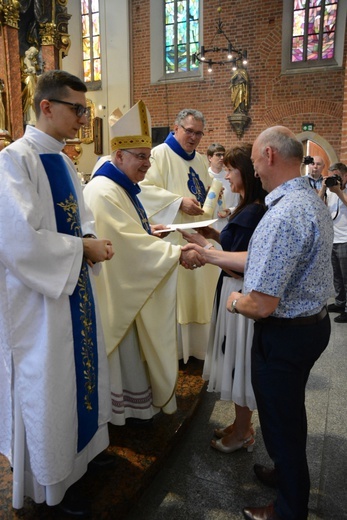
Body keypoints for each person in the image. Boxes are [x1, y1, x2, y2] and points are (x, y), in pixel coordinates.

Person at [183, 126, 334, 520]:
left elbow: (262, 304)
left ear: (268, 155)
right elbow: (261, 259)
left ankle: (289, 508)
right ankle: (287, 473)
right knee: (288, 413)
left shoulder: (283, 213)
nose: (252, 172)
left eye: (252, 163)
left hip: (286, 333)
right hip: (310, 327)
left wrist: (232, 301)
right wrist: (212, 256)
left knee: (281, 421)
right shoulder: (305, 197)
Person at [0, 70, 115, 516]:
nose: (84, 119)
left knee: (80, 375)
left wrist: (91, 242)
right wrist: (81, 248)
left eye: (85, 110)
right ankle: (53, 482)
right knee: (49, 383)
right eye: (77, 109)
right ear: (47, 107)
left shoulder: (65, 161)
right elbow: (17, 240)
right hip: (40, 302)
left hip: (72, 287)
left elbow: (79, 217)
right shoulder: (15, 160)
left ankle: (83, 455)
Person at [84, 101, 205, 425]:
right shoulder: (102, 191)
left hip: (130, 287)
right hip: (119, 293)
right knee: (127, 361)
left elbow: (130, 233)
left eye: (149, 157)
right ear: (119, 156)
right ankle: (125, 414)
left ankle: (139, 407)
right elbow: (123, 246)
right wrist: (175, 253)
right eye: (141, 157)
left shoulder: (122, 187)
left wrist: (149, 230)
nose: (147, 165)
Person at [180, 144, 266, 454]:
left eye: (231, 170)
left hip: (239, 292)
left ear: (246, 172)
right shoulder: (247, 206)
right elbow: (232, 242)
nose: (226, 175)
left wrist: (201, 244)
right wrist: (212, 235)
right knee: (235, 360)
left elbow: (237, 259)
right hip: (231, 288)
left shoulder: (255, 209)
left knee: (239, 363)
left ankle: (243, 431)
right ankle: (241, 424)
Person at [138, 108, 220, 362]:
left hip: (197, 231)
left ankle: (198, 348)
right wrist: (177, 202)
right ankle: (178, 352)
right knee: (181, 295)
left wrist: (210, 196)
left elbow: (201, 187)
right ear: (176, 128)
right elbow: (143, 189)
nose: (194, 137)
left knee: (200, 292)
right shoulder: (159, 154)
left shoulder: (199, 159)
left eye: (198, 133)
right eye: (189, 131)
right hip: (174, 239)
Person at [318, 162, 347, 323]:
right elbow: (317, 204)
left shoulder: (339, 190)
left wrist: (339, 191)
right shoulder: (330, 191)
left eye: (337, 176)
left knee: (346, 278)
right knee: (336, 276)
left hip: (345, 239)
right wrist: (324, 188)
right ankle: (340, 303)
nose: (334, 180)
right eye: (331, 176)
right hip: (333, 239)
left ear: (345, 175)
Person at [206, 142, 240, 231]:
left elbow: (238, 204)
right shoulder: (204, 177)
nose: (222, 158)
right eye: (218, 155)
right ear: (210, 157)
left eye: (223, 155)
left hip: (226, 225)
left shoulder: (230, 177)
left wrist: (229, 211)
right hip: (208, 225)